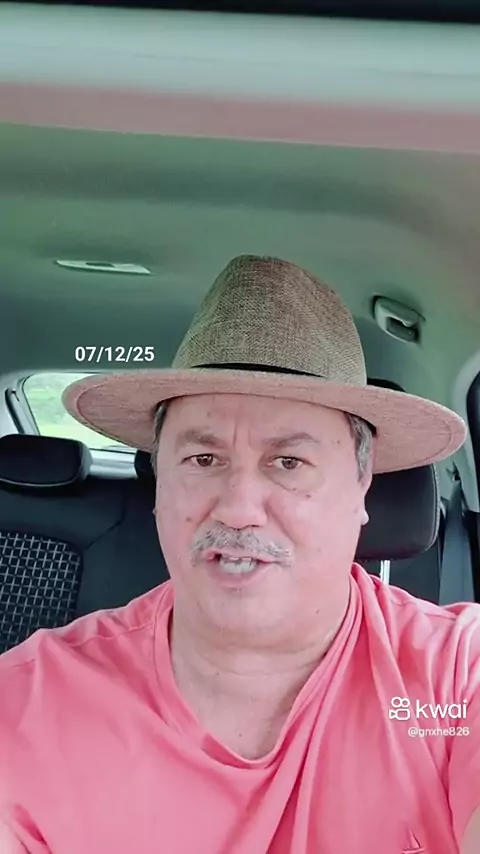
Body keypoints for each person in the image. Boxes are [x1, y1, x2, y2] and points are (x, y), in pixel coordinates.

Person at [0, 255, 478, 854]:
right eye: (203, 459)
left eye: (288, 462)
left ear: (362, 488)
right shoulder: (28, 701)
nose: (238, 508)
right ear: (159, 486)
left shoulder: (457, 678)